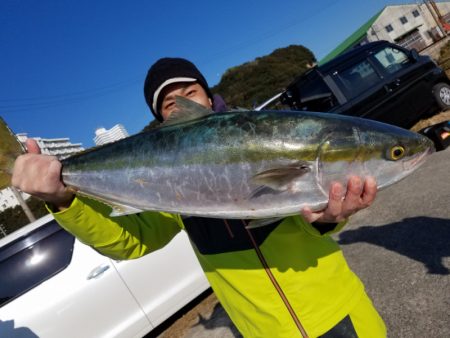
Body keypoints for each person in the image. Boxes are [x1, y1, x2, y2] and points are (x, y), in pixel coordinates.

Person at [12, 58, 386, 337]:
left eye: (189, 92)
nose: (179, 103)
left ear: (208, 96)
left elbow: (319, 215)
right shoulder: (169, 183)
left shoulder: (267, 134)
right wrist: (63, 200)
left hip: (342, 315)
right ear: (163, 122)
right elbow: (130, 243)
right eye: (167, 104)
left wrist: (332, 217)